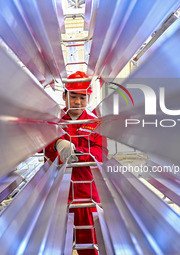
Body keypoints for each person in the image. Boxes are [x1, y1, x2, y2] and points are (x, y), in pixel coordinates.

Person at [45, 71, 108, 255]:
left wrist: (80, 155)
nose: (78, 102)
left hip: (86, 194)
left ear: (88, 98)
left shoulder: (94, 123)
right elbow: (41, 143)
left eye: (83, 97)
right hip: (58, 193)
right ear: (64, 95)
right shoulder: (54, 122)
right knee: (55, 245)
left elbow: (102, 151)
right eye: (73, 96)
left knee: (88, 245)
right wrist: (56, 142)